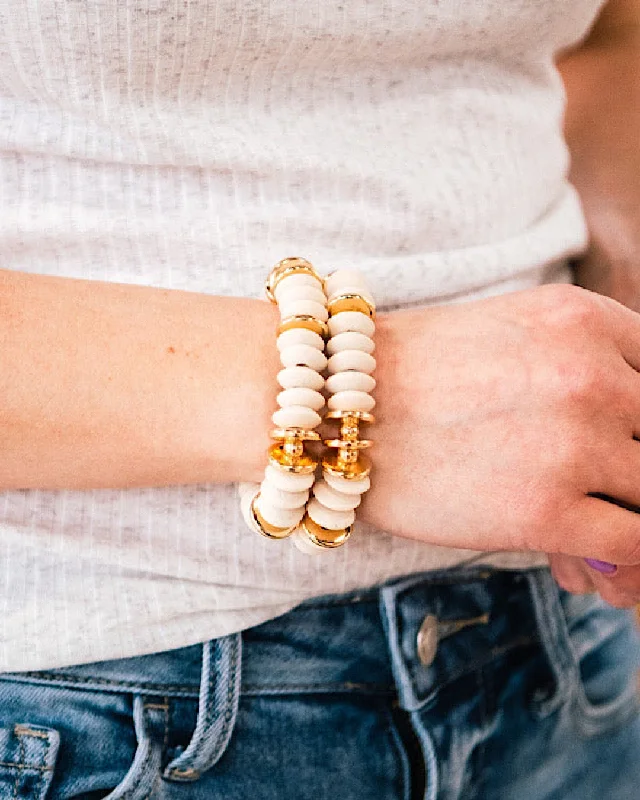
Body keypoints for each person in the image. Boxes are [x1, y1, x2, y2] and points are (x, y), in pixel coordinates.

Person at [0, 0, 638, 797]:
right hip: (99, 705)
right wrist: (378, 400)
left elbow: (612, 33)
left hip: (566, 646)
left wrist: (613, 268)